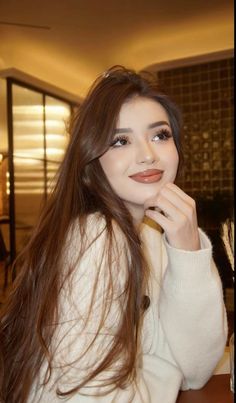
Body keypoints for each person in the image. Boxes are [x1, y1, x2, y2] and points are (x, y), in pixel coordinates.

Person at [0, 66, 227, 403]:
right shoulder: (96, 237)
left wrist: (187, 249)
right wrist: (164, 372)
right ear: (92, 160)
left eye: (160, 135)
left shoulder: (151, 234)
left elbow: (195, 370)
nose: (147, 154)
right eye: (120, 140)